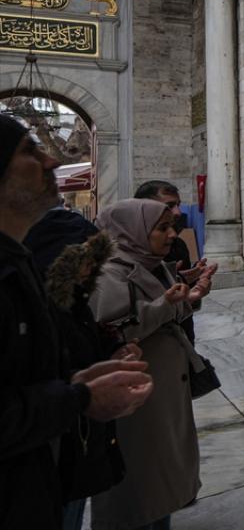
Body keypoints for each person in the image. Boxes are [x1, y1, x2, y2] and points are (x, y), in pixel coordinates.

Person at [1, 114, 154, 529]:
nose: (51, 162)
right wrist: (80, 399)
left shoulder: (21, 266)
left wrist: (80, 377)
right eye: (29, 152)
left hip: (36, 488)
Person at [89, 198, 213, 530]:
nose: (172, 234)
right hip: (138, 403)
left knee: (161, 485)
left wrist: (189, 294)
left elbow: (165, 314)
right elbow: (111, 332)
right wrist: (166, 304)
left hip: (160, 394)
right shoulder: (109, 273)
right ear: (133, 231)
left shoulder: (148, 263)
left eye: (172, 226)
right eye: (162, 228)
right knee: (139, 491)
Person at [134, 180, 217, 343]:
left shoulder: (178, 245)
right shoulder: (125, 260)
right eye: (170, 205)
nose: (178, 212)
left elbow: (182, 298)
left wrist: (192, 281)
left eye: (178, 205)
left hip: (182, 337)